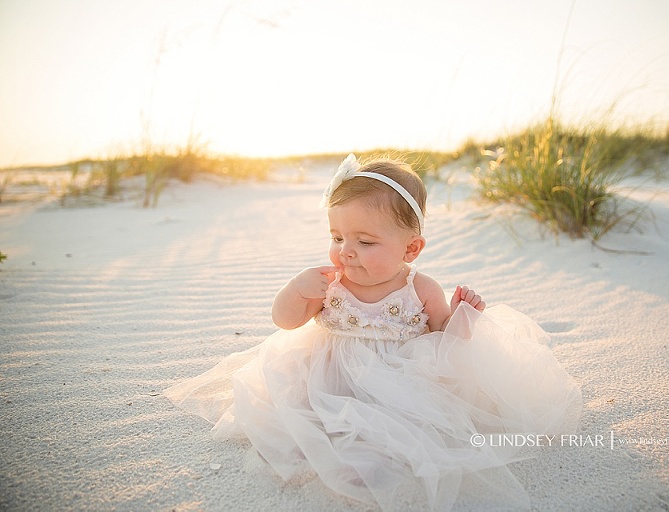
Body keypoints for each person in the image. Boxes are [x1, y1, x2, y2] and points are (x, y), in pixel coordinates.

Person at [165, 154, 582, 511]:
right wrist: (295, 290)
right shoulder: (330, 281)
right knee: (300, 405)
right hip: (328, 369)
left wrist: (461, 317)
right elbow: (285, 321)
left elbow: (443, 343)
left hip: (398, 377)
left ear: (411, 248)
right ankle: (306, 444)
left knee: (395, 426)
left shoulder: (421, 288)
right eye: (337, 236)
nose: (346, 250)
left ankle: (369, 461)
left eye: (365, 241)